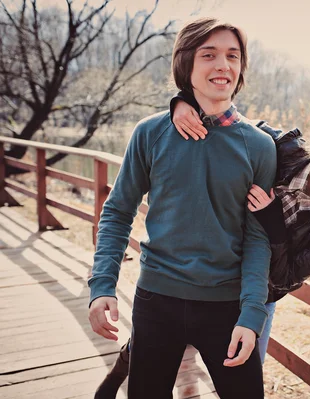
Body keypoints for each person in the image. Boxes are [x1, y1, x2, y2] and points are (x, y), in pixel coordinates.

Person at [89, 17, 276, 399]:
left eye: (232, 56)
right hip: (157, 301)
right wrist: (102, 284)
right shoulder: (151, 132)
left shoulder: (259, 146)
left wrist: (252, 314)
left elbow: (259, 238)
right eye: (209, 54)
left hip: (227, 305)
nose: (223, 65)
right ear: (186, 63)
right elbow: (118, 210)